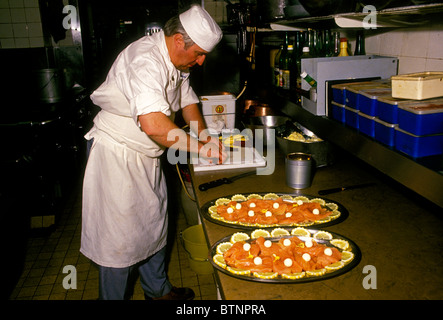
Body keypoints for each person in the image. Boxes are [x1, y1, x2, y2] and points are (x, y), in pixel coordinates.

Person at [81, 5, 227, 300]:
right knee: (119, 239)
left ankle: (158, 291)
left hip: (147, 154)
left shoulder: (178, 61)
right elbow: (154, 125)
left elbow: (187, 104)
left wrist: (205, 137)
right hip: (116, 155)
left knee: (153, 222)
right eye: (198, 53)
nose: (200, 62)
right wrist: (201, 150)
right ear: (177, 41)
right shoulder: (145, 60)